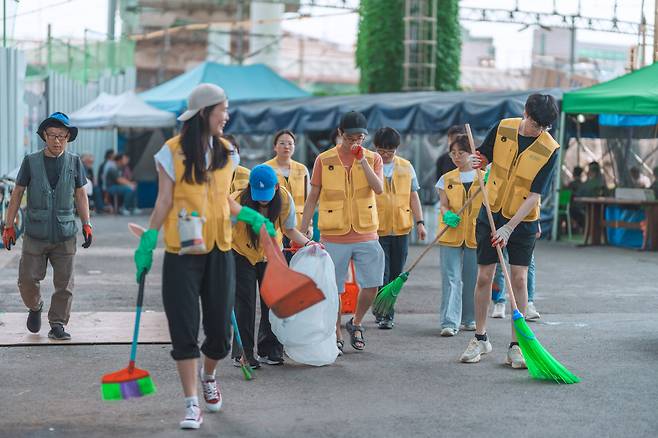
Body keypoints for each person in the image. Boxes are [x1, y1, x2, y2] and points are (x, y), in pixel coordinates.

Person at [133, 83, 276, 430]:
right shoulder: (171, 152)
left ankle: (209, 376)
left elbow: (225, 201)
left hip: (220, 251)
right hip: (183, 252)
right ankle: (191, 401)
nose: (226, 116)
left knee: (219, 337)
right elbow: (164, 201)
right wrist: (148, 242)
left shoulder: (229, 152)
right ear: (203, 113)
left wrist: (252, 217)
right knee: (183, 328)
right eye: (221, 110)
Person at [461, 94, 560, 370]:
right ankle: (480, 338)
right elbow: (482, 155)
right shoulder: (503, 127)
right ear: (525, 113)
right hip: (491, 210)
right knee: (484, 276)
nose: (538, 130)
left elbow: (534, 195)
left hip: (523, 220)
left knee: (518, 278)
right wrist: (477, 160)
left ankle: (516, 346)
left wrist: (509, 227)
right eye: (535, 123)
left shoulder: (550, 148)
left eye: (544, 127)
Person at [1, 112, 92, 341]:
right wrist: (8, 226)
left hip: (65, 233)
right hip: (35, 234)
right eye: (52, 135)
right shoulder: (30, 161)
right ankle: (35, 306)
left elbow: (81, 194)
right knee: (27, 280)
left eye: (62, 135)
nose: (57, 140)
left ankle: (58, 324)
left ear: (68, 137)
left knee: (65, 284)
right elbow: (17, 193)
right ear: (44, 136)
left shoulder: (74, 162)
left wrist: (87, 224)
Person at [300, 111, 385, 353]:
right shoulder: (323, 160)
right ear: (340, 134)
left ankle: (356, 323)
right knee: (333, 287)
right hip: (333, 233)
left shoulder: (374, 159)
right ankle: (336, 331)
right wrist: (304, 227)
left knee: (372, 285)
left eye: (360, 138)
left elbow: (378, 188)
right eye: (350, 138)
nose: (355, 142)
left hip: (366, 231)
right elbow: (312, 196)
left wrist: (363, 161)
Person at [231, 164, 317, 367]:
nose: (262, 197)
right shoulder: (236, 202)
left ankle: (269, 349)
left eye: (267, 192)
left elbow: (289, 230)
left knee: (273, 302)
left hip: (271, 253)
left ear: (276, 187)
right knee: (245, 304)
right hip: (240, 253)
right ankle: (244, 353)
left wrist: (309, 243)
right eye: (257, 192)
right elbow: (223, 233)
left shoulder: (285, 199)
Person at [372, 127, 426, 329]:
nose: (385, 155)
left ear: (396, 149)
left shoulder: (406, 166)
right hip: (375, 229)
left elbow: (413, 196)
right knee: (381, 274)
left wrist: (420, 223)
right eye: (381, 150)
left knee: (396, 274)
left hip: (402, 229)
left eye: (390, 151)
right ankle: (385, 313)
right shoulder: (368, 165)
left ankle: (384, 309)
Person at [435, 134, 482, 336]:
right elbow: (443, 205)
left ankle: (470, 319)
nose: (456, 156)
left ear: (472, 153)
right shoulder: (446, 179)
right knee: (451, 278)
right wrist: (448, 215)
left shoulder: (485, 177)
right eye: (453, 153)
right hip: (450, 233)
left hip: (476, 233)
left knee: (473, 278)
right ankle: (449, 322)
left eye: (461, 153)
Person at [263, 130, 312, 262]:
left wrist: (309, 226)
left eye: (290, 143)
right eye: (282, 143)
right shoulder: (265, 169)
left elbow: (309, 200)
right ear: (274, 146)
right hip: (275, 226)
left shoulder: (302, 170)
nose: (286, 146)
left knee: (299, 266)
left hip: (299, 227)